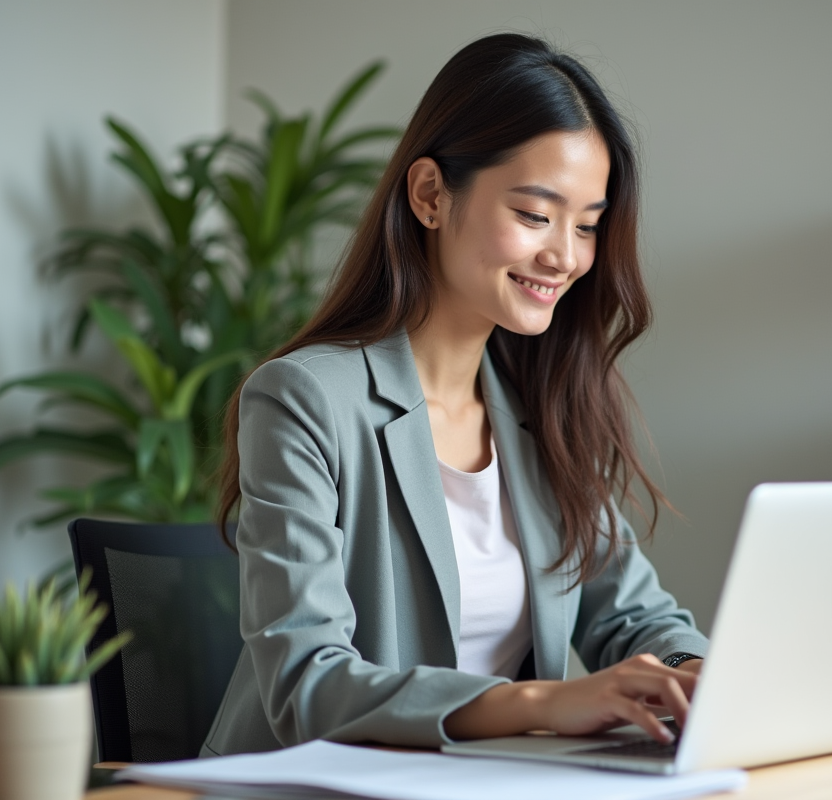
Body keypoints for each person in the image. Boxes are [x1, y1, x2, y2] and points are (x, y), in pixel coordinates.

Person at [201, 33, 708, 758]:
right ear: (431, 195)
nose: (566, 255)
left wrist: (693, 674)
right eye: (536, 215)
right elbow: (305, 683)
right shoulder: (303, 400)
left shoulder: (542, 411)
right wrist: (543, 701)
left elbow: (631, 614)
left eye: (588, 226)